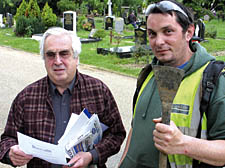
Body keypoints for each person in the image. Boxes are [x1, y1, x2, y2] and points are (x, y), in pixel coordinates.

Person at [119, 0, 225, 167]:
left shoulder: (214, 79)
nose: (158, 42)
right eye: (152, 34)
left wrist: (183, 144)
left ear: (189, 32)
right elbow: (136, 128)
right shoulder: (149, 73)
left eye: (168, 31)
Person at [0, 27, 126, 168]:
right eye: (51, 55)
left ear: (76, 57)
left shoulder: (98, 90)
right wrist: (10, 153)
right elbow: (7, 139)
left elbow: (117, 134)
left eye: (64, 53)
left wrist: (92, 155)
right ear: (44, 58)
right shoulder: (26, 98)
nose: (57, 61)